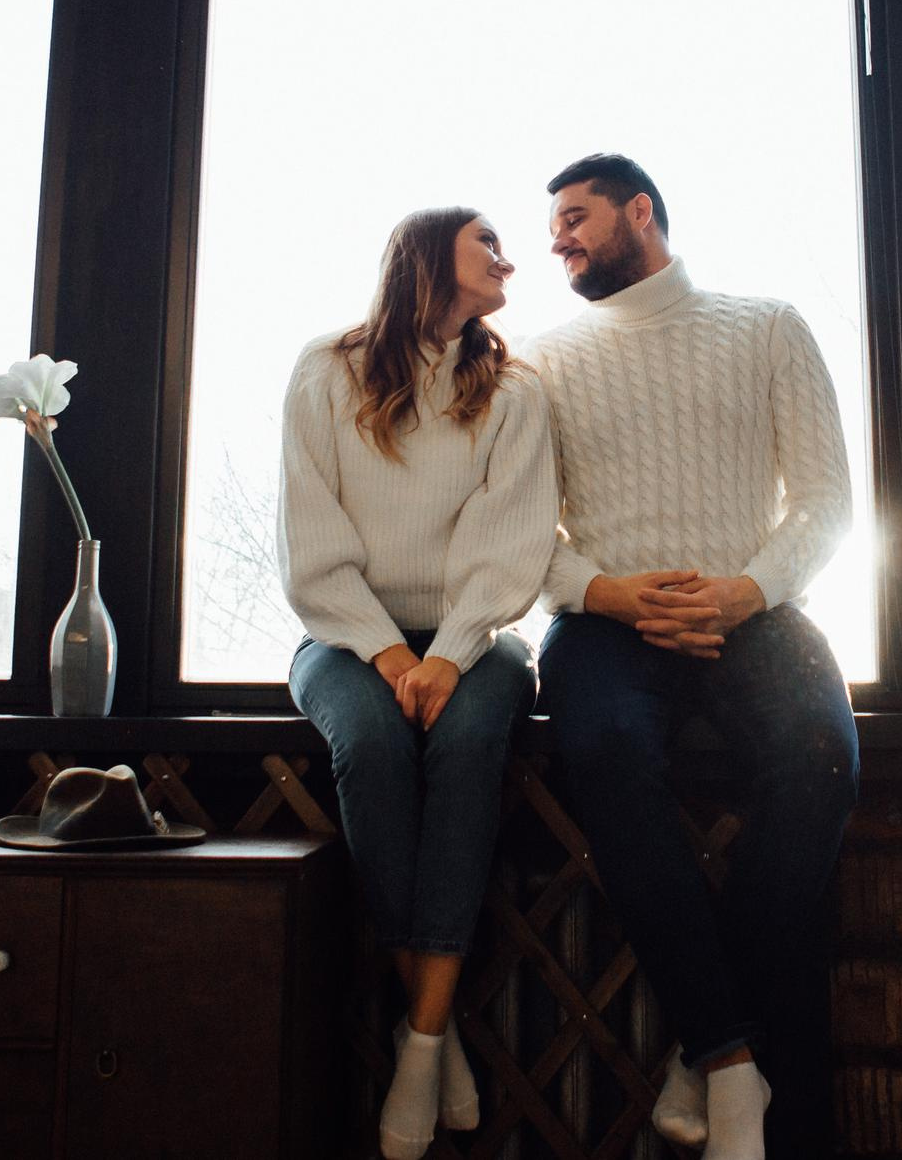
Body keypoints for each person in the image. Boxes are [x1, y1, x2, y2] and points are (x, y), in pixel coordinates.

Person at [529, 153, 859, 1160]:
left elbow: (826, 500)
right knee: (607, 754)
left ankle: (708, 1039)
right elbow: (523, 535)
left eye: (576, 218)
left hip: (752, 606)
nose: (558, 241)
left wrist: (746, 589)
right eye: (552, 229)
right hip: (604, 622)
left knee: (819, 751)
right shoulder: (541, 360)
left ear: (641, 212)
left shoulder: (767, 326)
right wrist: (613, 594)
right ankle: (728, 1055)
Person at [279, 205, 558, 1160]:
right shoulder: (325, 370)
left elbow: (510, 541)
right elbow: (312, 544)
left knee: (475, 739)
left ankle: (421, 1039)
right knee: (369, 741)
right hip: (345, 636)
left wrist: (449, 651)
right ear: (429, 252)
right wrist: (391, 654)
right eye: (488, 242)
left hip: (474, 640)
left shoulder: (511, 389)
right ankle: (432, 1033)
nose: (508, 257)